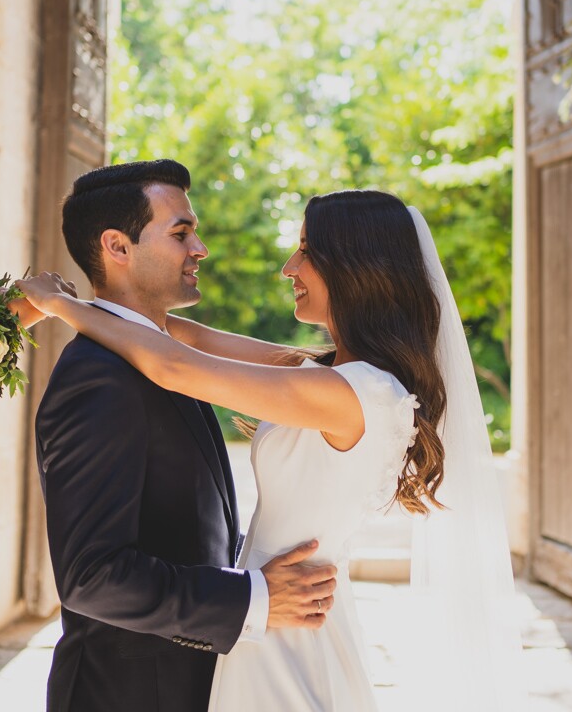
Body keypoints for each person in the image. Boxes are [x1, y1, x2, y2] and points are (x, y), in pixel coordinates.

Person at [20, 181, 523, 712]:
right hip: (269, 617)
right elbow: (186, 338)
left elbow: (172, 364)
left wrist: (58, 305)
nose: (289, 266)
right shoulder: (333, 376)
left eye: (306, 250)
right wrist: (88, 306)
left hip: (286, 625)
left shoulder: (350, 393)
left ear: (355, 266)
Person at [25, 160, 341, 712]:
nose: (201, 248)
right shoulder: (99, 378)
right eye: (180, 233)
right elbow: (91, 577)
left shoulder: (163, 356)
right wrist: (253, 597)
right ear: (117, 247)